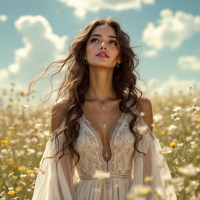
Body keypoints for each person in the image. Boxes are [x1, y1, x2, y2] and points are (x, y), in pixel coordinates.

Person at [29, 18, 177, 200]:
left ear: (120, 57)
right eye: (95, 40)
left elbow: (148, 178)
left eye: (112, 42)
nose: (103, 46)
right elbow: (58, 183)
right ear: (84, 53)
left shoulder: (140, 106)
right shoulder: (63, 110)